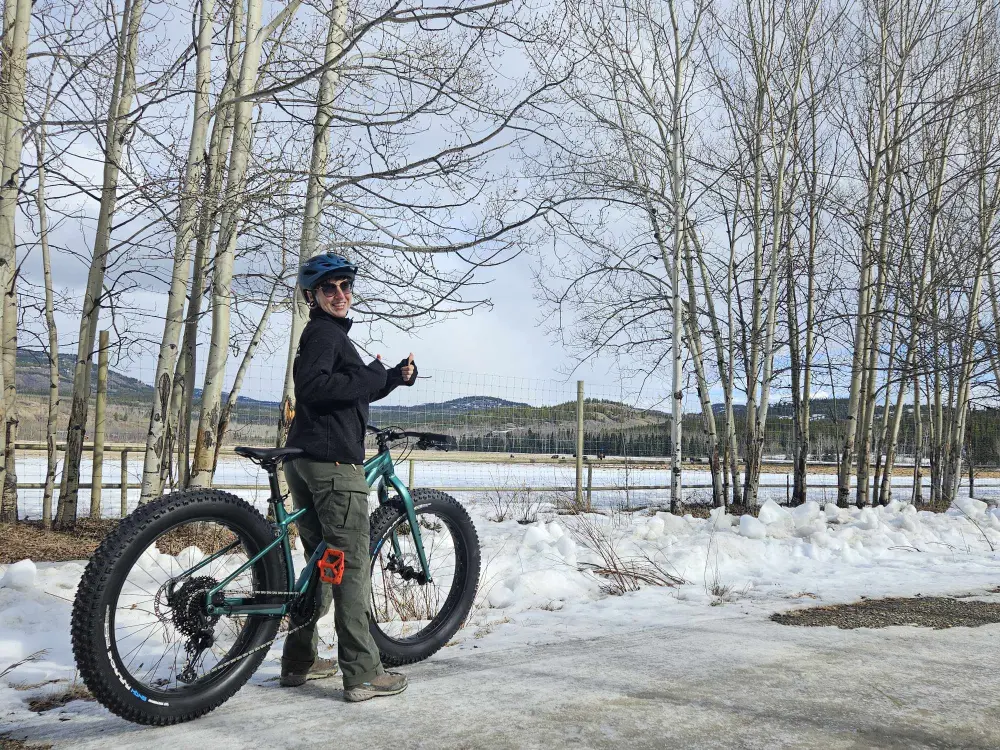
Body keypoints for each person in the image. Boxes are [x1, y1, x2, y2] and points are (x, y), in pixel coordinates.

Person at [279, 253, 417, 702]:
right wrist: (371, 376)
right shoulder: (323, 333)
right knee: (350, 565)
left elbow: (352, 386)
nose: (340, 295)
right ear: (312, 296)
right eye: (329, 289)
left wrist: (393, 377)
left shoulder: (329, 336)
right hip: (335, 467)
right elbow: (314, 388)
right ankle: (361, 674)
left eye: (344, 287)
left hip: (306, 460)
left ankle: (298, 661)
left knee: (323, 563)